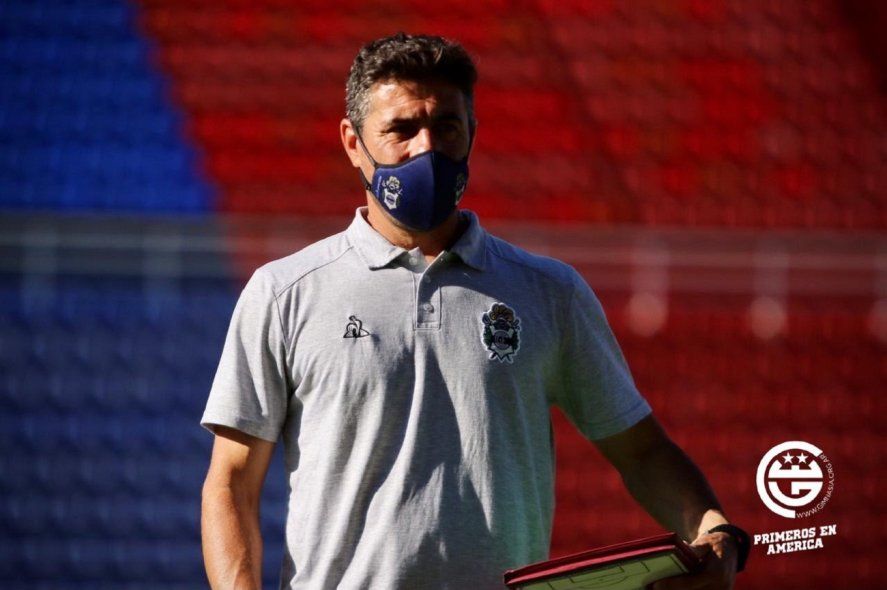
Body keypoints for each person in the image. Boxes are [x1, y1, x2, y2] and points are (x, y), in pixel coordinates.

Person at [200, 33, 749, 590]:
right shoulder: (285, 292)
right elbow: (231, 483)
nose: (426, 149)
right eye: (401, 130)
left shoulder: (549, 291)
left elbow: (642, 451)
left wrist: (715, 531)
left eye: (446, 127)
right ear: (352, 142)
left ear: (472, 135)